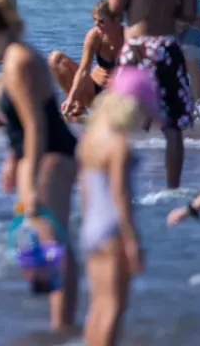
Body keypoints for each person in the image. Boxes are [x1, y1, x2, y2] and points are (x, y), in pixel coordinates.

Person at [0, 0, 79, 331]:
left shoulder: (19, 61)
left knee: (55, 242)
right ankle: (61, 324)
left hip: (51, 158)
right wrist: (13, 161)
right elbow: (21, 122)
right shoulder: (16, 56)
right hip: (40, 155)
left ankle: (63, 326)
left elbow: (35, 125)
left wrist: (30, 180)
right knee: (49, 241)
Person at [109, 0, 196, 188]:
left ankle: (118, 186)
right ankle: (172, 188)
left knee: (117, 120)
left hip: (136, 47)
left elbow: (114, 5)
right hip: (167, 46)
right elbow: (190, 12)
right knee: (173, 127)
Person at [79, 68, 153, 346]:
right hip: (112, 230)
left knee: (98, 305)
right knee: (114, 308)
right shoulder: (119, 144)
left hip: (92, 228)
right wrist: (132, 240)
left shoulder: (91, 138)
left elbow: (86, 190)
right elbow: (120, 194)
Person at [51, 0, 124, 120]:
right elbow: (84, 70)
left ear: (116, 20)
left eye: (101, 21)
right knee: (56, 59)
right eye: (94, 20)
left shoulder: (127, 36)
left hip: (118, 97)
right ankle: (78, 106)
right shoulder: (95, 36)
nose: (96, 24)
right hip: (95, 93)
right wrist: (71, 98)